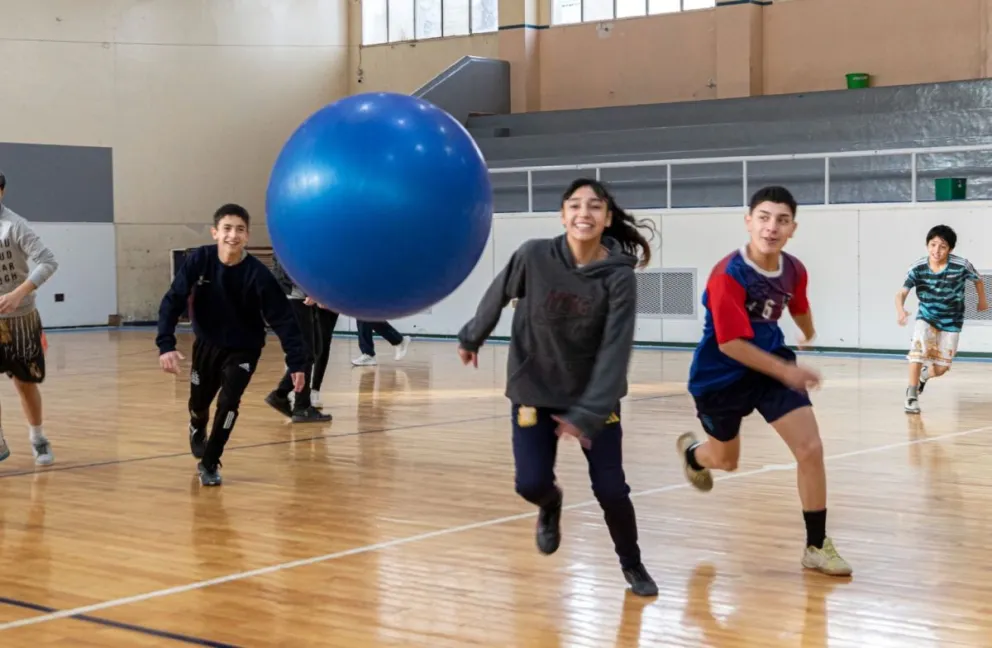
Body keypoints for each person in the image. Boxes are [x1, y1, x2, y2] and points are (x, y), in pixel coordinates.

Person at [456, 177, 659, 597]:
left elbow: (615, 350)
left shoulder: (619, 277)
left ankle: (633, 564)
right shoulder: (534, 255)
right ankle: (550, 504)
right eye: (575, 206)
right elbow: (497, 294)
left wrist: (584, 415)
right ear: (562, 215)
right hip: (534, 388)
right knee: (529, 483)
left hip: (593, 399)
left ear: (606, 219)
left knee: (611, 489)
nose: (584, 213)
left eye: (595, 207)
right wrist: (472, 335)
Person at [677, 185, 852, 577]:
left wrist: (808, 334)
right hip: (720, 377)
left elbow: (799, 304)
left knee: (810, 448)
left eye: (782, 220)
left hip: (772, 366)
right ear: (748, 221)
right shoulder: (728, 274)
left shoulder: (793, 268)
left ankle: (815, 545)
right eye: (764, 217)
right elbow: (731, 344)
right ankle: (694, 456)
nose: (772, 227)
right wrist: (788, 371)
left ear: (793, 228)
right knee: (726, 461)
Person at [156, 203, 310, 486]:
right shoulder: (199, 260)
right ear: (215, 232)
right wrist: (166, 344)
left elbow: (285, 321)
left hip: (244, 347)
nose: (233, 235)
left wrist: (297, 363)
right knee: (199, 403)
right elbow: (172, 301)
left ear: (247, 236)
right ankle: (196, 424)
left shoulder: (258, 275)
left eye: (240, 230)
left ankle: (210, 462)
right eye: (227, 229)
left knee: (228, 403)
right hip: (206, 344)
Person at [0, 170, 58, 466]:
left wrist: (18, 294)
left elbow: (48, 262)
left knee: (24, 383)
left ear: (1, 192)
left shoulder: (15, 226)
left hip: (20, 319)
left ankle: (38, 437)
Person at [896, 225, 986, 414]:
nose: (936, 250)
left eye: (942, 246)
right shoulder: (918, 267)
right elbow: (902, 292)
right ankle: (912, 395)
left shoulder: (961, 265)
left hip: (952, 321)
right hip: (926, 317)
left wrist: (982, 301)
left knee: (942, 368)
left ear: (950, 249)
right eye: (933, 244)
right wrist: (900, 310)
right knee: (917, 352)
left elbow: (978, 280)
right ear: (927, 245)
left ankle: (923, 377)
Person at [264, 254, 332, 423]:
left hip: (301, 297)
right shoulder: (292, 237)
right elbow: (288, 263)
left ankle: (281, 395)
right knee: (307, 352)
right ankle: (301, 406)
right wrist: (308, 289)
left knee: (316, 349)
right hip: (293, 298)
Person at [310, 306, 339, 408]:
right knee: (317, 345)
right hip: (313, 300)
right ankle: (290, 389)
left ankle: (315, 390)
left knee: (324, 345)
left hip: (333, 303)